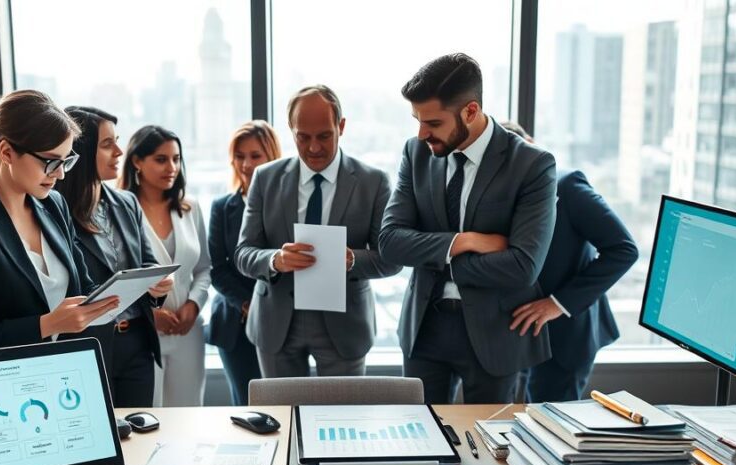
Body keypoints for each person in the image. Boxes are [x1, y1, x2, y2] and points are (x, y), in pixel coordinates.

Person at [378, 53, 557, 404]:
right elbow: (390, 242)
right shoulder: (416, 153)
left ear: (470, 111)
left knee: (485, 438)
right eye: (417, 120)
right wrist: (464, 242)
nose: (422, 133)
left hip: (497, 333)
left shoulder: (531, 165)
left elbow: (523, 267)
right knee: (420, 432)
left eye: (433, 122)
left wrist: (437, 261)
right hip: (424, 329)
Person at [0, 90, 119, 354]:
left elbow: (84, 287)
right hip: (13, 374)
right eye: (51, 162)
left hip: (69, 365)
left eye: (66, 161)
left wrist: (132, 291)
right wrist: (46, 325)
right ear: (6, 152)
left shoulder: (54, 205)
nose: (60, 174)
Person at [233, 85, 400, 378]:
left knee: (342, 409)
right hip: (277, 323)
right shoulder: (265, 178)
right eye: (303, 137)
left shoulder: (373, 182)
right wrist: (275, 260)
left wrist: (351, 260)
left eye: (324, 136)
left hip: (345, 324)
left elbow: (391, 259)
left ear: (341, 126)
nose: (313, 148)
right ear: (291, 130)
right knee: (281, 409)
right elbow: (243, 254)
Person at [500, 121, 638, 402]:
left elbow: (624, 249)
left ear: (532, 145)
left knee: (549, 422)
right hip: (522, 333)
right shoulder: (499, 194)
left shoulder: (568, 185)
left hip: (564, 336)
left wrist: (557, 304)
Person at [56, 106, 173, 408]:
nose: (119, 152)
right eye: (107, 144)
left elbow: (146, 261)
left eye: (117, 142)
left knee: (141, 427)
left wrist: (158, 283)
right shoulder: (54, 209)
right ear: (81, 151)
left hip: (137, 342)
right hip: (88, 344)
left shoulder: (127, 202)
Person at [120, 125, 209, 407]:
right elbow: (116, 277)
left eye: (176, 159)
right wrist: (148, 314)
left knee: (189, 411)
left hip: (187, 330)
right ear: (137, 161)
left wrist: (194, 305)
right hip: (144, 333)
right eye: (161, 159)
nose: (171, 167)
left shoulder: (190, 208)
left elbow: (204, 269)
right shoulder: (120, 211)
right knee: (150, 413)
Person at [207, 121, 282, 405]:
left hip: (280, 318)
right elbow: (217, 270)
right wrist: (247, 303)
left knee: (281, 403)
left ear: (272, 156)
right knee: (246, 404)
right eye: (239, 156)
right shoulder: (222, 207)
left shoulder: (286, 206)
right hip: (236, 323)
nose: (246, 164)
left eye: (255, 155)